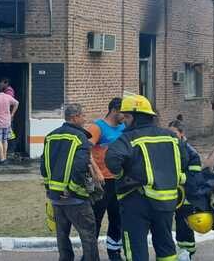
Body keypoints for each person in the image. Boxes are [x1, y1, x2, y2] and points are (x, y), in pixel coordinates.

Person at [105, 95, 183, 261]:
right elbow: (187, 158)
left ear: (134, 117)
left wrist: (120, 175)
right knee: (166, 247)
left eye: (126, 116)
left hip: (137, 201)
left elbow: (112, 159)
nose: (124, 120)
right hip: (167, 200)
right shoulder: (171, 137)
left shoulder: (128, 138)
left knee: (136, 248)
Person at [40, 103, 99, 261]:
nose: (85, 119)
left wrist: (50, 189)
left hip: (56, 199)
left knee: (62, 236)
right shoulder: (80, 138)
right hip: (76, 199)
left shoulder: (51, 136)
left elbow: (44, 165)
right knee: (88, 235)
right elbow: (80, 167)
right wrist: (72, 189)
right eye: (83, 116)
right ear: (75, 117)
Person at [84, 98, 126, 261]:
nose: (126, 116)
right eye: (123, 112)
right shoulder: (97, 127)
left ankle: (114, 252)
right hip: (101, 181)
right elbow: (85, 150)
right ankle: (90, 254)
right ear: (115, 110)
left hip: (119, 180)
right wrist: (96, 172)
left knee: (117, 218)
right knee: (95, 218)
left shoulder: (124, 128)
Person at [166, 116, 204, 261]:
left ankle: (187, 253)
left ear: (182, 134)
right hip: (168, 194)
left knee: (184, 225)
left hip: (186, 196)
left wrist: (178, 178)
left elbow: (194, 178)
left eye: (174, 134)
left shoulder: (191, 153)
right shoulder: (166, 150)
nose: (171, 137)